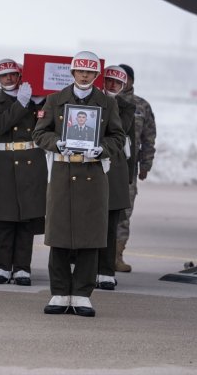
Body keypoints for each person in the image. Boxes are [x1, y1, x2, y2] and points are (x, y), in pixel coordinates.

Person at [33, 50, 124, 317]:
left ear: (96, 75)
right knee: (60, 236)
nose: (85, 76)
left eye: (90, 72)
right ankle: (60, 292)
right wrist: (56, 143)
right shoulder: (54, 100)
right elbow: (39, 133)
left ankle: (82, 294)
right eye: (80, 71)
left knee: (90, 237)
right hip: (62, 173)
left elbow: (118, 136)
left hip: (93, 175)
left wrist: (101, 149)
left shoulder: (108, 104)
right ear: (73, 72)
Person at [0, 59, 47, 286]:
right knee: (5, 220)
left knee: (26, 220)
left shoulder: (35, 100)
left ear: (20, 76)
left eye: (12, 74)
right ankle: (1, 267)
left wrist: (43, 101)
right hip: (4, 165)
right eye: (3, 76)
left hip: (31, 164)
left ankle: (22, 268)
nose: (8, 78)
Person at [96, 65, 135, 290]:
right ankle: (89, 270)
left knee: (111, 225)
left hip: (116, 168)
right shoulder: (93, 102)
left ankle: (106, 271)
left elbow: (127, 136)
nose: (112, 85)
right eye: (108, 80)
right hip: (94, 168)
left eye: (117, 83)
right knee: (91, 224)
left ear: (123, 86)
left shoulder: (126, 107)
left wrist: (130, 175)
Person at [115, 63, 157, 272]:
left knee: (124, 213)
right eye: (117, 79)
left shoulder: (142, 106)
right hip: (102, 166)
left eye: (125, 79)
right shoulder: (106, 101)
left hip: (128, 170)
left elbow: (149, 138)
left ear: (132, 81)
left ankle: (116, 256)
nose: (121, 83)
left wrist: (145, 165)